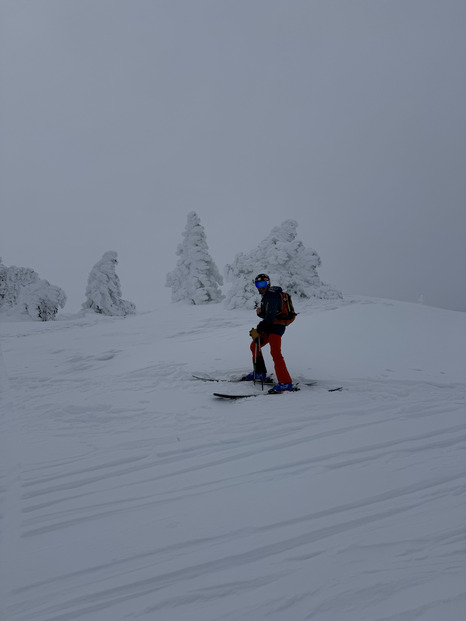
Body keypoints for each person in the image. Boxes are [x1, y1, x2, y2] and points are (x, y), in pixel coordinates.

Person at [243, 273, 294, 393]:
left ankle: (286, 382)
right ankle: (260, 373)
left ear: (268, 283)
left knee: (275, 352)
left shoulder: (271, 295)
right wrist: (260, 314)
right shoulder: (266, 296)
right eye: (258, 284)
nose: (260, 287)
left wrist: (259, 328)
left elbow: (270, 317)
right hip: (270, 326)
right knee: (255, 345)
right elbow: (268, 314)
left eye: (263, 284)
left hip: (277, 327)